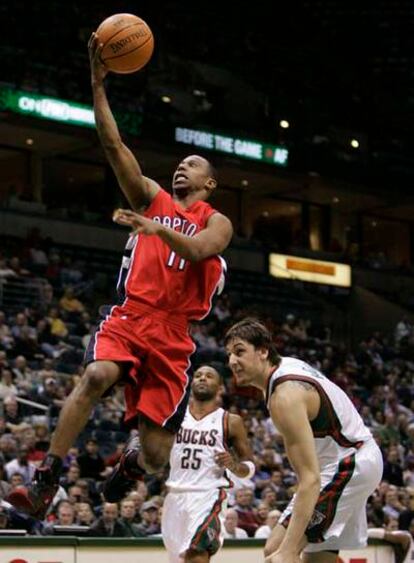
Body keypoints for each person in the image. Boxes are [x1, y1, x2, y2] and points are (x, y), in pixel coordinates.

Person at [8, 32, 232, 519]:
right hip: (131, 317)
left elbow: (198, 250)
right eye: (178, 163)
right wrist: (97, 85)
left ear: (209, 183)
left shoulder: (217, 221)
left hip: (174, 337)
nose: (181, 168)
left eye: (191, 164)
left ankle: (132, 459)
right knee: (95, 376)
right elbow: (112, 144)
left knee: (155, 458)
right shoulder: (151, 197)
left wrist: (156, 228)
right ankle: (46, 480)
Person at [224, 318, 383, 563]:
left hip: (349, 464)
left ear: (264, 351)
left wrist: (288, 551)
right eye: (229, 354)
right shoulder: (285, 367)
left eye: (240, 351)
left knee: (279, 552)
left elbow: (309, 479)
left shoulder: (284, 397)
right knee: (307, 557)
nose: (232, 361)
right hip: (351, 459)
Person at [162, 365, 255, 563]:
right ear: (191, 383)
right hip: (175, 496)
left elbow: (250, 466)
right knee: (179, 559)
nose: (202, 378)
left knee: (197, 554)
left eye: (209, 376)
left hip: (209, 495)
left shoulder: (231, 421)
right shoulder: (174, 416)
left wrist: (234, 465)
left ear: (220, 387)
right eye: (198, 375)